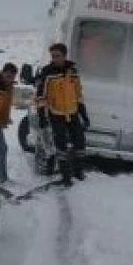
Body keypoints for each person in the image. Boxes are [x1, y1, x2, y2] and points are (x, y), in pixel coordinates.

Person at [34, 43, 89, 185]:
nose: (54, 59)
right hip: (56, 114)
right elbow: (40, 97)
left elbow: (78, 94)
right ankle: (66, 177)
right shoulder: (47, 73)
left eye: (57, 56)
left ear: (64, 55)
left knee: (80, 143)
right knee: (61, 146)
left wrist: (84, 115)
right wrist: (42, 117)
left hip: (73, 112)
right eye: (53, 56)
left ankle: (78, 172)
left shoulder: (73, 71)